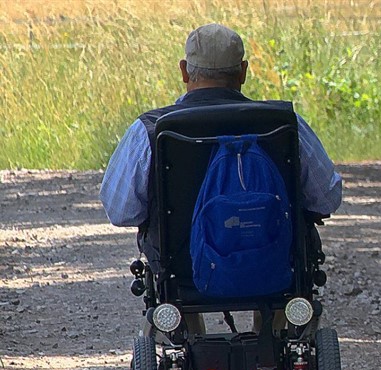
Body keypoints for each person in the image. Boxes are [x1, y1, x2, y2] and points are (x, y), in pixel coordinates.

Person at [100, 24, 342, 333]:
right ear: (243, 72)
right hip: (276, 265)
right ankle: (275, 350)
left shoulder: (150, 129)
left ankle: (187, 357)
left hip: (184, 271)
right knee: (289, 282)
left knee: (171, 286)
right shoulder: (284, 124)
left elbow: (122, 211)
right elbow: (327, 197)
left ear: (185, 71)